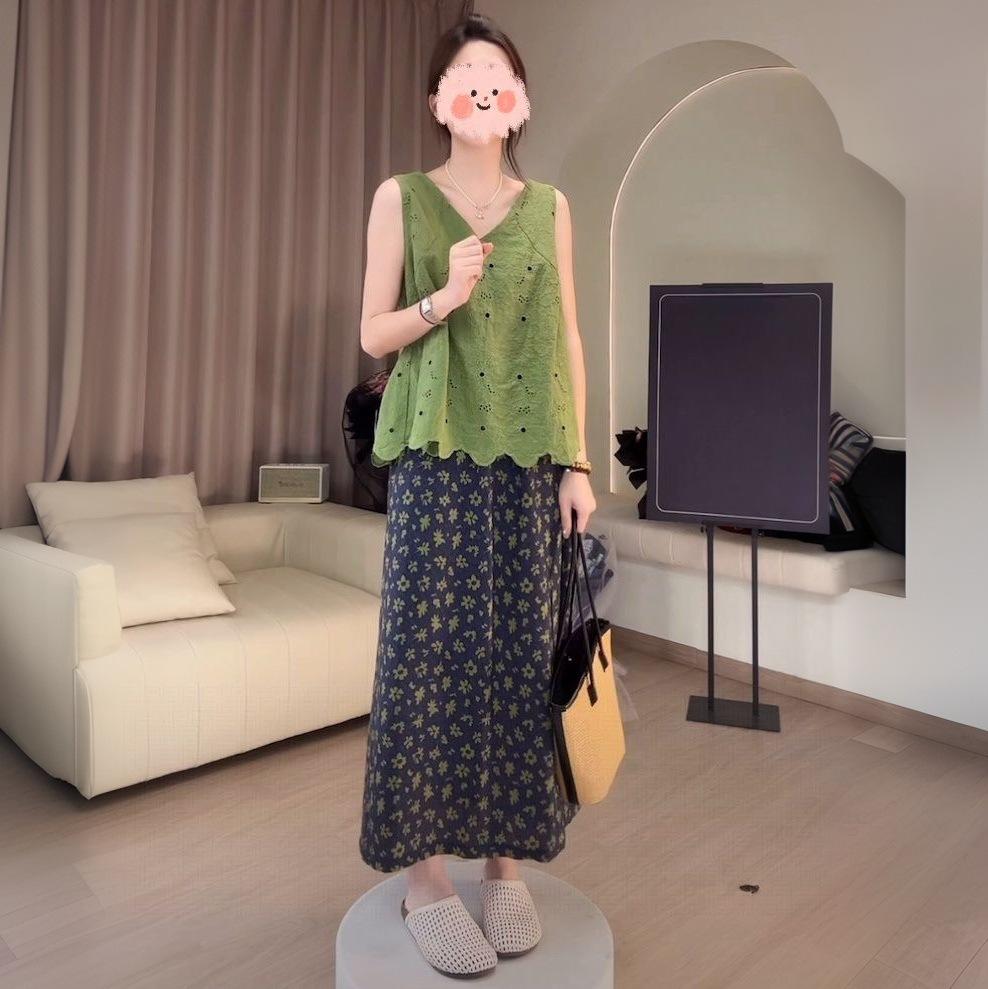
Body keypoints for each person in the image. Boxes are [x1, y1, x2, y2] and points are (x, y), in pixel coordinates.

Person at [357, 11, 596, 979]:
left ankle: (505, 861)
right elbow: (372, 334)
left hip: (529, 462)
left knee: (517, 658)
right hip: (434, 452)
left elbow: (566, 336)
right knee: (425, 659)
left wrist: (578, 462)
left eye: (498, 69)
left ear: (519, 101)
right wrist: (440, 299)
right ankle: (424, 878)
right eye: (466, 71)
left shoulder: (551, 207)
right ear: (439, 100)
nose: (483, 81)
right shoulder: (403, 197)